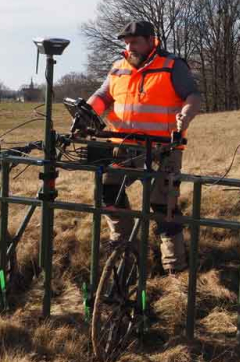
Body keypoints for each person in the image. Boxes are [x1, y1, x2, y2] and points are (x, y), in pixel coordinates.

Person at [86, 21, 202, 274]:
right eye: (127, 43)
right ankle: (124, 248)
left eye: (135, 42)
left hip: (163, 150)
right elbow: (103, 96)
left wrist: (186, 115)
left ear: (151, 40)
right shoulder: (118, 68)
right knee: (107, 192)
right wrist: (86, 112)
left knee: (163, 207)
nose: (130, 47)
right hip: (122, 147)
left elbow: (193, 96)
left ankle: (174, 268)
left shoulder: (172, 66)